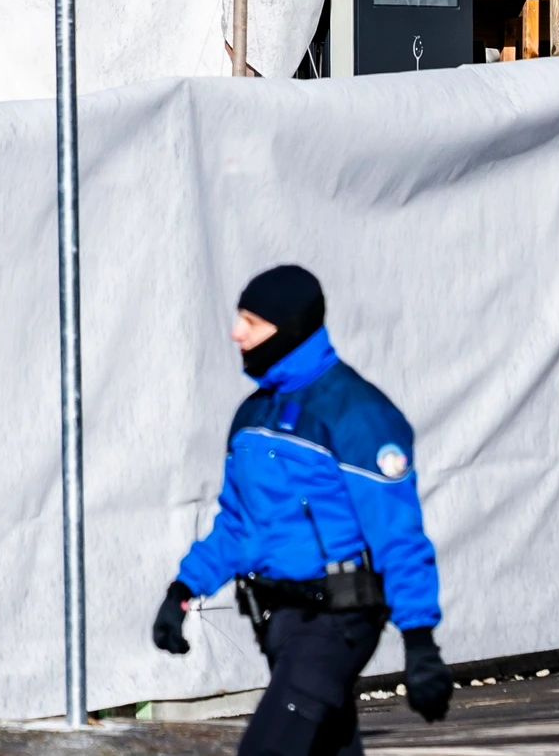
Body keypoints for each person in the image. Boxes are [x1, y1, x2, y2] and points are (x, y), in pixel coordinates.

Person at [150, 264, 452, 754]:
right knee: (327, 747)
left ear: (289, 327)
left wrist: (420, 641)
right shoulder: (252, 416)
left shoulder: (357, 414)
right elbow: (238, 524)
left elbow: (398, 535)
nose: (235, 332)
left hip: (338, 621)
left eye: (251, 321)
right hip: (278, 621)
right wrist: (182, 590)